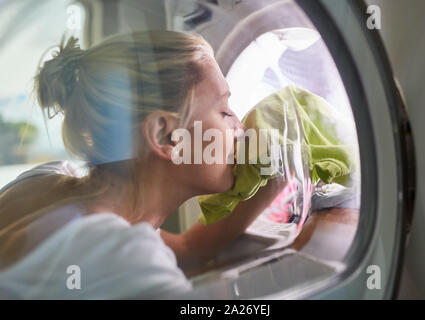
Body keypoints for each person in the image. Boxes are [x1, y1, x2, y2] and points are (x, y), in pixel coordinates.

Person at [0, 30, 287, 299]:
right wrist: (326, 232)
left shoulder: (43, 180)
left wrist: (275, 175)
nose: (240, 128)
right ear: (165, 135)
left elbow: (188, 250)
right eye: (224, 111)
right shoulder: (117, 252)